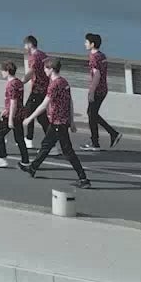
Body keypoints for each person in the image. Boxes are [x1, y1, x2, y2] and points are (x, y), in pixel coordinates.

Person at [23, 57, 91, 187]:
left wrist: (30, 118)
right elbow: (70, 102)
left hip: (58, 123)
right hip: (61, 121)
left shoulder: (54, 85)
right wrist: (71, 121)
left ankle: (83, 179)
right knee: (46, 145)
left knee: (68, 151)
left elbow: (44, 105)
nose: (44, 71)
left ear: (51, 69)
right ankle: (32, 168)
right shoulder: (64, 82)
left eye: (45, 68)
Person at [84, 33, 122, 150]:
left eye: (86, 42)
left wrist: (91, 92)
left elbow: (97, 75)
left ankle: (96, 143)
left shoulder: (94, 57)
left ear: (92, 44)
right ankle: (111, 134)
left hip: (97, 90)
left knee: (91, 114)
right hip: (103, 89)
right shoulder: (102, 55)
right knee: (92, 114)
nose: (85, 44)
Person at [0, 60, 28, 168]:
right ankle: (25, 160)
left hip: (12, 115)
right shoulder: (18, 82)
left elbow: (13, 102)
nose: (1, 73)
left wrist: (10, 118)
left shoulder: (11, 85)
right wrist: (5, 109)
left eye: (2, 71)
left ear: (7, 71)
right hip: (19, 114)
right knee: (19, 138)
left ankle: (2, 158)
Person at [23, 35, 50, 131]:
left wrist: (20, 82)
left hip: (37, 89)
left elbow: (31, 72)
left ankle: (29, 137)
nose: (24, 47)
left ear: (30, 45)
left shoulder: (33, 57)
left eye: (25, 45)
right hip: (45, 87)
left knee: (28, 112)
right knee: (41, 116)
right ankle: (50, 136)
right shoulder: (43, 55)